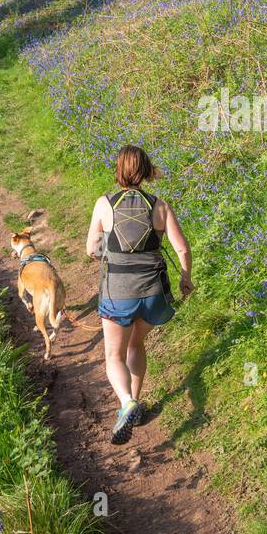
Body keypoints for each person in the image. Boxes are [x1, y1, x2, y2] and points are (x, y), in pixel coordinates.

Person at [85, 145, 193, 444]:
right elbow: (182, 248)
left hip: (118, 292)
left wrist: (109, 253)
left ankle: (126, 402)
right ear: (145, 170)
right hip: (154, 293)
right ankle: (135, 401)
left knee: (113, 355)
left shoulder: (104, 204)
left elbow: (92, 249)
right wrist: (186, 277)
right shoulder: (160, 205)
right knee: (136, 344)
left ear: (118, 169)